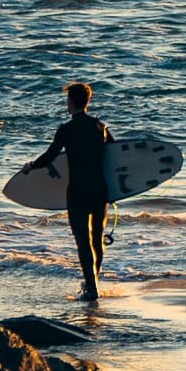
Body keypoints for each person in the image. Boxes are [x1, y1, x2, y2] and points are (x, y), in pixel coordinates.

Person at [23, 80, 112, 300]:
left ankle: (90, 288)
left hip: (78, 192)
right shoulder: (100, 127)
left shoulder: (66, 129)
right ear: (88, 101)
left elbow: (50, 155)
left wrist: (30, 166)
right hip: (100, 190)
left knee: (83, 241)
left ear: (70, 102)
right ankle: (94, 281)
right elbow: (115, 155)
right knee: (97, 238)